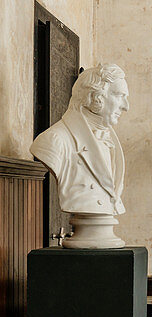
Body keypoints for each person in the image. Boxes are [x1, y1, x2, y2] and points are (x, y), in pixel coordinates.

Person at [30, 64, 129, 216]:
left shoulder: (110, 140)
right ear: (97, 96)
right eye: (120, 96)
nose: (126, 107)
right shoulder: (54, 140)